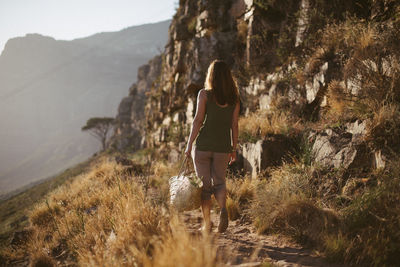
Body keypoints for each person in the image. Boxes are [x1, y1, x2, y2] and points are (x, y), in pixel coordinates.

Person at [185, 59, 240, 233]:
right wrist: (233, 148)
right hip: (223, 148)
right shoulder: (234, 100)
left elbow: (197, 121)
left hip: (202, 146)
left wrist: (188, 145)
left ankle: (207, 223)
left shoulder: (204, 95)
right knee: (220, 182)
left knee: (205, 186)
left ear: (211, 76)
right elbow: (234, 126)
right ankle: (223, 210)